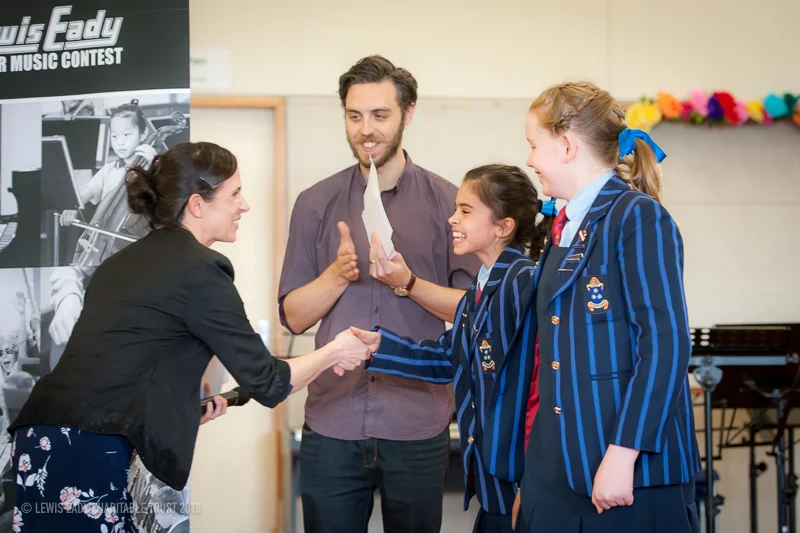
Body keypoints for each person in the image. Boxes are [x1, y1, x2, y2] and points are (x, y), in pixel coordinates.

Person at [8, 141, 371, 533]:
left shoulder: (120, 263)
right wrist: (336, 350)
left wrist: (181, 406)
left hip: (42, 436)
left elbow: (124, 361)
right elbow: (269, 382)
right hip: (90, 447)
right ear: (197, 205)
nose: (244, 205)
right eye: (234, 194)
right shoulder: (201, 271)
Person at [278, 55, 481, 533]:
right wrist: (337, 275)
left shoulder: (449, 204)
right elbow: (294, 316)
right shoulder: (314, 204)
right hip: (332, 423)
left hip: (416, 422)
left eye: (379, 115)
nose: (365, 129)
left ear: (408, 113)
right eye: (354, 115)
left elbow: (476, 311)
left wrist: (408, 284)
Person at [514, 81, 701, 533]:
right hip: (557, 462)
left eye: (533, 145)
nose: (530, 160)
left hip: (624, 464)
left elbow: (665, 345)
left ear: (566, 146)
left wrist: (623, 453)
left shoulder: (637, 216)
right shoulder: (563, 227)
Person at [350, 164, 552, 533]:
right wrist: (377, 347)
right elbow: (449, 357)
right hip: (493, 480)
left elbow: (537, 388)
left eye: (465, 210)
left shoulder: (521, 283)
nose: (452, 219)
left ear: (503, 227)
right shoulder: (482, 287)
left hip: (517, 478)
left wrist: (530, 481)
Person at [49, 100, 159, 347]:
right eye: (115, 135)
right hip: (99, 242)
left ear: (143, 134)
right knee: (75, 274)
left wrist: (152, 167)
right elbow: (86, 193)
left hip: (132, 247)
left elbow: (161, 202)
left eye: (127, 135)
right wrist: (72, 206)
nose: (120, 142)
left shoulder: (152, 170)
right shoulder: (109, 170)